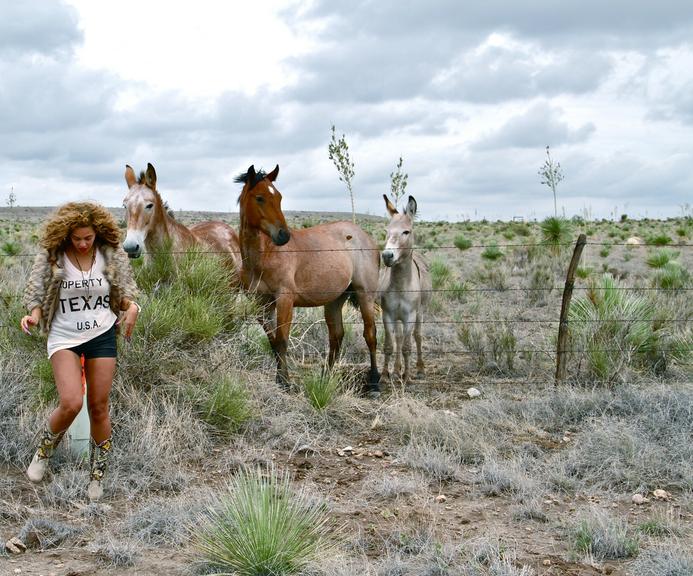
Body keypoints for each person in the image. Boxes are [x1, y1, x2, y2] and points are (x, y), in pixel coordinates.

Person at [20, 202, 140, 501]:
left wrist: (133, 307)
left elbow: (124, 294)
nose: (83, 243)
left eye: (88, 238)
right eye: (77, 239)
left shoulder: (110, 254)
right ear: (66, 236)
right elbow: (36, 292)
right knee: (72, 402)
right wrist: (33, 316)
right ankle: (43, 453)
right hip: (64, 336)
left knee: (99, 406)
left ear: (97, 233)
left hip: (101, 333)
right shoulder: (53, 256)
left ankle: (97, 476)